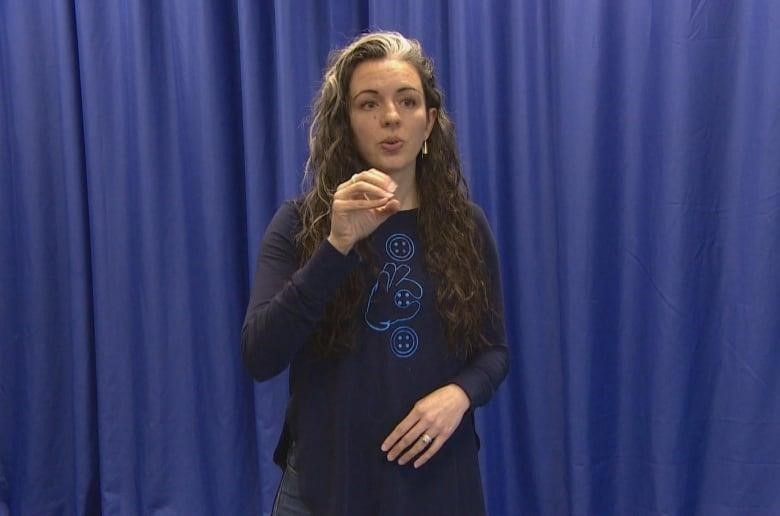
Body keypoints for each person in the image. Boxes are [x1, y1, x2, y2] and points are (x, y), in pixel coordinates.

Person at [242, 31, 508, 516]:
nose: (390, 117)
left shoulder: (466, 226)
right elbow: (261, 354)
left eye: (407, 101)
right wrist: (337, 244)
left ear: (429, 123)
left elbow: (493, 352)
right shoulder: (299, 224)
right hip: (325, 488)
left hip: (437, 486)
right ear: (346, 121)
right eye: (369, 104)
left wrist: (459, 394)